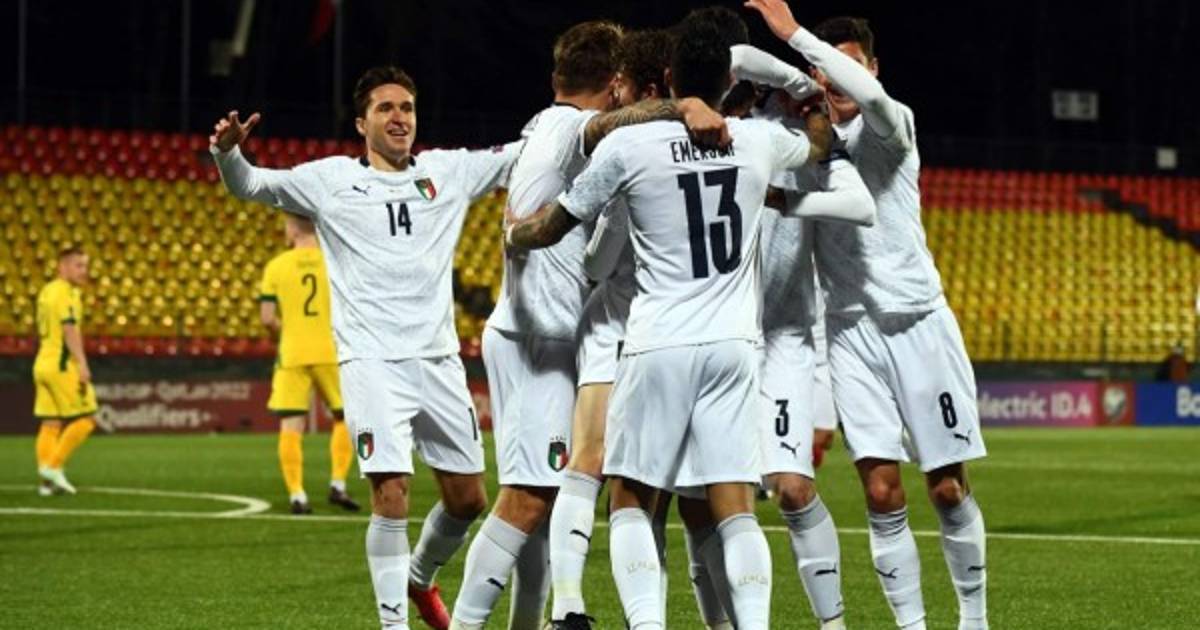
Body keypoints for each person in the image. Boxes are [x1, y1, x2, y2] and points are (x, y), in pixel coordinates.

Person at [505, 12, 834, 629]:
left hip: (657, 341)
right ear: (728, 83)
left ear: (668, 78)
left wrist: (516, 234)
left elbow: (552, 227)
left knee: (630, 497)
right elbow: (818, 145)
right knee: (735, 507)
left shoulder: (630, 147)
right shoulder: (756, 141)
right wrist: (810, 96)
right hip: (734, 346)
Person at [211, 65, 517, 630]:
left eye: (407, 108)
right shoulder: (329, 180)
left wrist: (578, 123)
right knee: (391, 493)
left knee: (469, 499)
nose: (399, 118)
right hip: (371, 361)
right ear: (361, 123)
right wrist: (228, 152)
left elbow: (519, 157)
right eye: (385, 108)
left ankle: (418, 578)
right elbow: (250, 184)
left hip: (438, 359)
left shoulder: (447, 171)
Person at [452, 21, 727, 630]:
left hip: (543, 333)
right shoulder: (572, 128)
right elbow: (607, 128)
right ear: (616, 81)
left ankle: (543, 618)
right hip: (538, 338)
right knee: (527, 501)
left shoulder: (541, 125)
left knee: (546, 500)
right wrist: (683, 104)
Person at [747, 2, 990, 629]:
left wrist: (795, 35)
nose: (834, 81)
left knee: (946, 488)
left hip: (918, 321)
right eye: (824, 72)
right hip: (850, 332)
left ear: (872, 70)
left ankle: (973, 618)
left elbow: (871, 98)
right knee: (881, 493)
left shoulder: (892, 122)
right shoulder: (808, 145)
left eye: (846, 68)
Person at [258, 213, 358, 514]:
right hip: (331, 351)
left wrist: (284, 331)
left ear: (292, 230)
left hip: (293, 353)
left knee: (291, 424)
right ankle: (338, 483)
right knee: (344, 417)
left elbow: (266, 318)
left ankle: (297, 495)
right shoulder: (335, 262)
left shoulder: (276, 266)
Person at [33, 246, 98, 496]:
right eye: (78, 265)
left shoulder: (47, 290)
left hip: (42, 363)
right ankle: (53, 466)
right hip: (61, 365)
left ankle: (46, 484)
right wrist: (82, 363)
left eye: (86, 266)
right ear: (62, 266)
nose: (84, 271)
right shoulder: (64, 293)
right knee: (87, 418)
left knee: (51, 423)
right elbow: (69, 329)